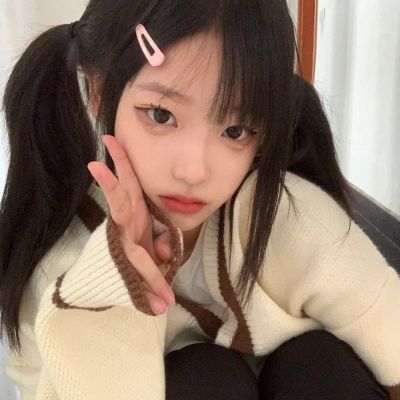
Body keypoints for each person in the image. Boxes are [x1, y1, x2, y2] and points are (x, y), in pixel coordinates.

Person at [0, 0, 399, 399]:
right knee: (204, 378)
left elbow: (385, 322)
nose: (194, 171)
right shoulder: (60, 264)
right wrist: (115, 290)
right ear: (98, 91)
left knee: (318, 361)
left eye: (236, 129)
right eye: (160, 115)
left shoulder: (286, 214)